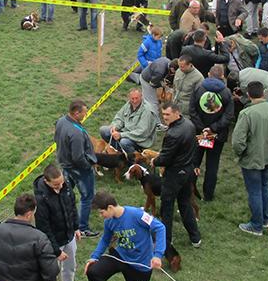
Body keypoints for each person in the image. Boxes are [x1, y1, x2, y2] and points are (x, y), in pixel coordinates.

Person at [233, 81, 268, 235]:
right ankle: (265, 219)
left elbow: (238, 141)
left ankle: (256, 225)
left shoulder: (246, 114)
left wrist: (241, 153)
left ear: (249, 95)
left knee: (254, 191)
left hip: (252, 158)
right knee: (264, 186)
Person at [33, 164, 87, 281]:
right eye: (56, 185)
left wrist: (76, 226)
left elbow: (71, 206)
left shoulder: (65, 185)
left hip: (68, 236)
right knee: (50, 275)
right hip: (52, 242)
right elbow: (44, 227)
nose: (60, 186)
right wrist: (56, 251)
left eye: (62, 183)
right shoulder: (40, 198)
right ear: (46, 181)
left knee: (70, 267)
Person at [151, 100, 201, 266]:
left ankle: (165, 244)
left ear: (176, 113)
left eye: (167, 114)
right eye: (163, 114)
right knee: (185, 204)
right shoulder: (189, 124)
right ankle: (195, 238)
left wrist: (154, 161)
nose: (164, 117)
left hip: (174, 174)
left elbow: (165, 157)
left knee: (167, 209)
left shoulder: (173, 134)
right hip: (187, 171)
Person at [188, 66, 235, 201]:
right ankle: (208, 195)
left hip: (199, 133)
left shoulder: (198, 88)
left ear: (208, 74)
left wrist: (203, 128)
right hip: (217, 135)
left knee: (194, 162)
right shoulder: (226, 93)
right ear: (222, 76)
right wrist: (213, 129)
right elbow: (229, 115)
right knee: (212, 165)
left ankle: (190, 190)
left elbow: (192, 110)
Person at [54, 100, 98, 237]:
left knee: (65, 193)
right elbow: (78, 157)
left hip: (65, 166)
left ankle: (60, 218)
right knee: (87, 196)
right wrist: (88, 167)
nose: (86, 114)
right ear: (76, 113)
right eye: (84, 112)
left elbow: (56, 139)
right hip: (79, 169)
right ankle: (83, 227)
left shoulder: (61, 121)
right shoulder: (76, 133)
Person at [99, 88, 157, 157]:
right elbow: (119, 117)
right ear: (129, 98)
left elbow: (141, 132)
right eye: (132, 98)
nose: (134, 101)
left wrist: (121, 135)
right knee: (104, 130)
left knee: (124, 142)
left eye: (137, 98)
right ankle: (121, 154)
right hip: (126, 133)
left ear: (141, 97)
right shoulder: (128, 104)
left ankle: (135, 158)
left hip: (141, 139)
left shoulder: (147, 110)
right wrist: (114, 126)